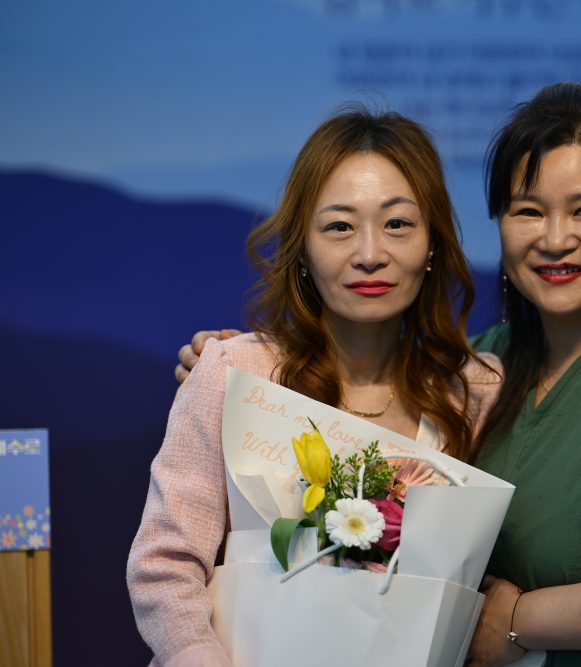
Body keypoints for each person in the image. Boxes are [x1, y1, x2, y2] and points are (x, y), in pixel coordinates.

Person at [177, 83, 581, 666]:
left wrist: (514, 620)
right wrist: (241, 367)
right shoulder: (477, 374)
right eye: (528, 211)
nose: (555, 238)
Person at [127, 107, 501, 667]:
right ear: (302, 246)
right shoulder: (236, 371)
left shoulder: (475, 393)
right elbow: (165, 564)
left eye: (398, 224)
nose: (370, 254)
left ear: (433, 245)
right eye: (339, 227)